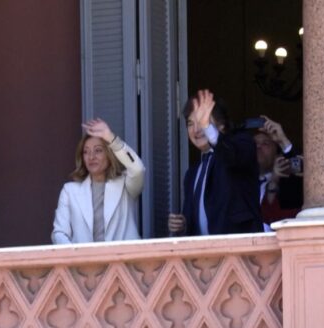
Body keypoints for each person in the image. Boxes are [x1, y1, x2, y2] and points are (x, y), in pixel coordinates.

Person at [168, 90, 262, 236]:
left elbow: (231, 155)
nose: (196, 130)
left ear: (222, 125)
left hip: (239, 251)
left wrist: (208, 129)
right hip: (205, 255)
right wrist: (183, 226)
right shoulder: (192, 174)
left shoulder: (242, 144)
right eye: (190, 124)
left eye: (202, 122)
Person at [52, 118, 145, 243]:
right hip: (83, 261)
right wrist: (77, 259)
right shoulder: (69, 191)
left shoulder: (125, 185)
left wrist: (110, 138)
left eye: (98, 150)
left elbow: (138, 169)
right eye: (86, 152)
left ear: (109, 154)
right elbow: (59, 233)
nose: (91, 157)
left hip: (122, 261)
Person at [253, 116, 303, 231]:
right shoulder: (241, 183)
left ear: (277, 152)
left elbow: (301, 168)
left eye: (265, 143)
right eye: (254, 143)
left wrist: (282, 140)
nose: (258, 147)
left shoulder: (288, 179)